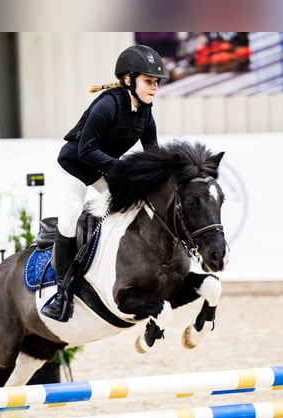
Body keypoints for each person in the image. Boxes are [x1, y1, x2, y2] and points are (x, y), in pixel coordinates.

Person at [42, 44, 169, 322]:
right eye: (148, 81)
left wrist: (168, 176)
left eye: (156, 82)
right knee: (68, 221)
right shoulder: (107, 105)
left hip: (103, 171)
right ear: (128, 80)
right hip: (75, 167)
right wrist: (123, 169)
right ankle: (62, 292)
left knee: (136, 209)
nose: (154, 87)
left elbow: (154, 155)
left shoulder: (146, 113)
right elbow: (86, 150)